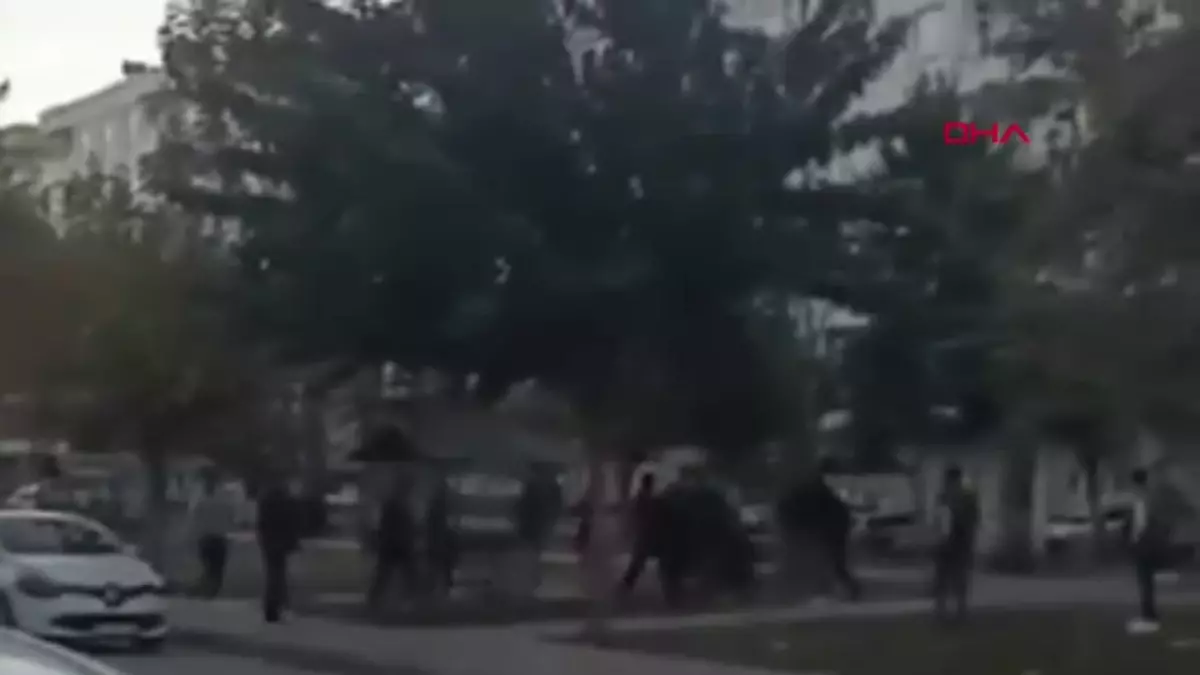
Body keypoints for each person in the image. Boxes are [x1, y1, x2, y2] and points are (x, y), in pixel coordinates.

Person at [777, 459, 860, 601]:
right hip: (828, 528)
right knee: (833, 561)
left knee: (831, 561)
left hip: (828, 529)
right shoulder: (817, 490)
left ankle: (839, 589)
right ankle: (838, 589)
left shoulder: (813, 489)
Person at [1127, 467, 1172, 635]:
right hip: (1150, 542)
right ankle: (1150, 613)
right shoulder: (1148, 497)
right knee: (1148, 580)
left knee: (1144, 579)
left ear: (1134, 483)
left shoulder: (1139, 499)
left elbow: (1140, 524)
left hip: (1143, 543)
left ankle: (1148, 614)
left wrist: (1134, 540)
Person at [931, 465, 979, 624]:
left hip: (954, 543)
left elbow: (970, 521)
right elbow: (973, 520)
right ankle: (949, 611)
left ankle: (952, 611)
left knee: (952, 579)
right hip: (952, 544)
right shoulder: (953, 496)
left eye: (950, 480)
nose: (949, 483)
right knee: (950, 579)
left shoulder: (958, 497)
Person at [366, 476, 418, 612]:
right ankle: (408, 599)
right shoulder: (397, 504)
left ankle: (375, 600)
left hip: (393, 544)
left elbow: (387, 525)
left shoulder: (396, 504)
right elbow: (396, 525)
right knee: (402, 573)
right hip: (396, 544)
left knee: (387, 574)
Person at [512, 463, 564, 598]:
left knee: (530, 551)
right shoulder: (552, 486)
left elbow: (522, 505)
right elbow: (557, 507)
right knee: (534, 551)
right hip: (539, 523)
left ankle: (530, 578)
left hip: (532, 523)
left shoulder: (533, 485)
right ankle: (532, 578)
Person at [256, 477, 299, 623]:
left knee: (272, 574)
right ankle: (279, 604)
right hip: (283, 543)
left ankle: (272, 607)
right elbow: (294, 523)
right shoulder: (289, 502)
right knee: (279, 574)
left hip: (269, 542)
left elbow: (261, 523)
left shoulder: (265, 502)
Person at [188, 468, 237, 598]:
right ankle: (212, 590)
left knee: (208, 565)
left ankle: (207, 589)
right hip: (219, 538)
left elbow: (195, 519)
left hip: (206, 538)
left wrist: (193, 536)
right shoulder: (226, 500)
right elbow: (231, 519)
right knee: (217, 567)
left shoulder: (200, 501)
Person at [619, 472, 661, 594]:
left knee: (637, 562)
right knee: (637, 562)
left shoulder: (641, 498)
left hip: (644, 534)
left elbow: (632, 516)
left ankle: (626, 585)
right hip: (645, 534)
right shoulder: (646, 499)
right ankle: (626, 585)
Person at [424, 477, 458, 597]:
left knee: (437, 567)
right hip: (441, 542)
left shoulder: (436, 506)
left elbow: (431, 525)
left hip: (438, 542)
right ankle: (441, 589)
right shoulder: (443, 506)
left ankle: (433, 590)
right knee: (443, 567)